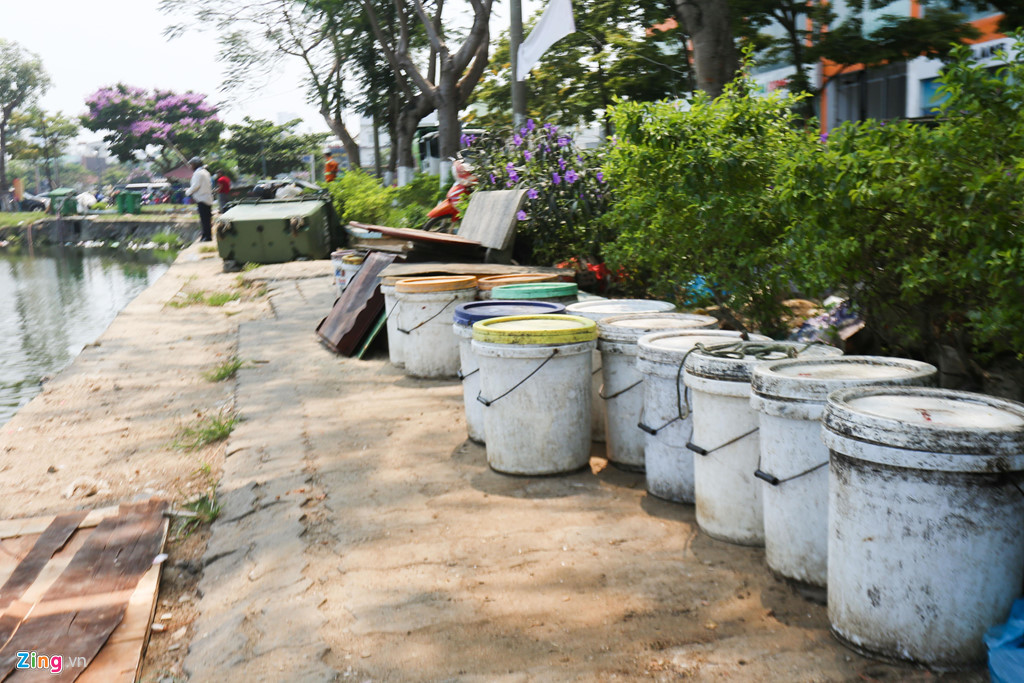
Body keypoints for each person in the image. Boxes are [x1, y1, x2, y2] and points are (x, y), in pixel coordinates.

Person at [185, 157, 214, 242]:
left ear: (195, 164)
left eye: (192, 164)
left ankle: (207, 237)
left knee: (204, 219)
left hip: (202, 198)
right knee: (206, 219)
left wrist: (187, 192)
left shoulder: (198, 173)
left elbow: (195, 186)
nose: (190, 166)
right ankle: (205, 235)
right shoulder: (205, 172)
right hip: (207, 198)